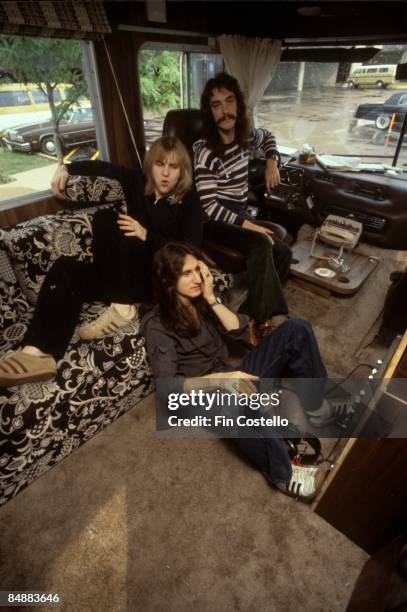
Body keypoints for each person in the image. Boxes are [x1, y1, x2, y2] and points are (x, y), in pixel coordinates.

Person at [0, 137, 203, 387]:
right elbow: (103, 167)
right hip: (125, 279)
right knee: (67, 267)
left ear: (182, 170)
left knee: (111, 221)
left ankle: (123, 309)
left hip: (157, 279)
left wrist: (146, 235)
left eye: (173, 167)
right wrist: (65, 167)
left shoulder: (189, 201)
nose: (165, 173)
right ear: (150, 165)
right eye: (160, 164)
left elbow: (190, 251)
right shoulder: (139, 182)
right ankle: (38, 353)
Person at [141, 242, 332, 501]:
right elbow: (168, 389)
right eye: (187, 274)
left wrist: (211, 298)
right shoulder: (157, 325)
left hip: (228, 375)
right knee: (237, 406)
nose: (197, 279)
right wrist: (222, 380)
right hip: (200, 395)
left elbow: (243, 334)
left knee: (296, 328)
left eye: (198, 270)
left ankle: (314, 405)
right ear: (167, 279)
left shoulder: (202, 300)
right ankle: (284, 475)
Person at [193, 72, 292, 342]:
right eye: (216, 105)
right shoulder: (205, 151)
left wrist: (272, 159)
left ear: (238, 104)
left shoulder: (246, 137)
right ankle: (269, 321)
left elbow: (268, 136)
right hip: (213, 221)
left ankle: (249, 314)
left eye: (229, 101)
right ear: (210, 112)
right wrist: (249, 224)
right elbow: (209, 206)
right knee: (261, 243)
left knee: (282, 251)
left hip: (239, 212)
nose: (225, 111)